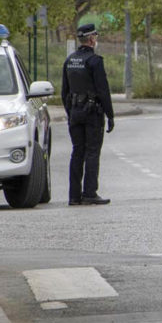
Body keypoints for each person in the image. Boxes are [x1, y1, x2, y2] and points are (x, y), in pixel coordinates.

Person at [61, 23, 115, 205]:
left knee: (77, 152)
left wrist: (70, 112)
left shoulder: (69, 61)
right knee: (92, 152)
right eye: (96, 37)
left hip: (75, 112)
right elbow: (103, 90)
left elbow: (64, 92)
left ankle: (74, 196)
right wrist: (110, 115)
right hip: (92, 114)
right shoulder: (95, 61)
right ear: (92, 39)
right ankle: (90, 193)